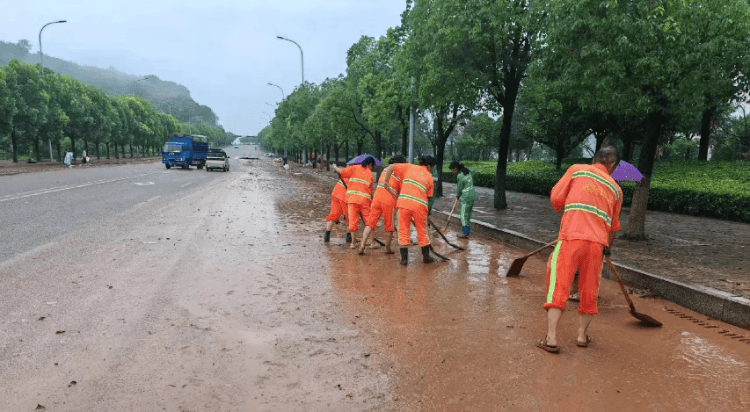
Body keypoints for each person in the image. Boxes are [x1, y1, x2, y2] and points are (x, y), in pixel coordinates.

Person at [536, 146, 623, 353]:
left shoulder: (577, 170)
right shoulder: (616, 190)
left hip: (571, 237)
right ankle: (582, 336)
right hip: (597, 245)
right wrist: (607, 248)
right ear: (612, 165)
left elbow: (556, 200)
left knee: (558, 284)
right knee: (589, 289)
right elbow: (613, 226)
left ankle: (551, 339)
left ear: (595, 160)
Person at [381, 156, 436, 265]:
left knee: (403, 230)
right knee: (422, 231)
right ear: (429, 166)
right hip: (420, 206)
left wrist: (386, 182)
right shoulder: (430, 177)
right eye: (432, 167)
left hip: (404, 204)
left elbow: (391, 167)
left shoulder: (410, 167)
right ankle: (426, 258)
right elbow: (429, 197)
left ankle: (404, 259)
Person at [358, 155, 407, 255]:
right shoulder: (401, 172)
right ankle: (387, 248)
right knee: (390, 225)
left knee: (370, 223)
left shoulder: (385, 169)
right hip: (389, 200)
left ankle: (362, 245)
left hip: (377, 197)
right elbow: (402, 190)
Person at [332, 157, 376, 249]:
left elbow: (342, 172)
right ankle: (371, 243)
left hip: (352, 200)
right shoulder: (370, 174)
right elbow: (370, 190)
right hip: (364, 200)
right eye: (372, 166)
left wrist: (335, 167)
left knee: (352, 221)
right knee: (369, 222)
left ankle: (353, 243)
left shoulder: (354, 168)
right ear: (369, 165)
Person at [323, 163, 351, 244]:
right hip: (345, 197)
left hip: (336, 193)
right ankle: (349, 237)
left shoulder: (345, 169)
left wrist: (335, 167)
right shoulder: (355, 171)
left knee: (333, 214)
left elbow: (339, 171)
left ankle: (326, 236)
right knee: (350, 217)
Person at [449, 161, 476, 238]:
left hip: (466, 196)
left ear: (456, 169)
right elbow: (473, 171)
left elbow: (460, 187)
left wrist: (458, 195)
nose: (452, 171)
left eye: (453, 169)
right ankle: (466, 232)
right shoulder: (468, 172)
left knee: (463, 214)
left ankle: (465, 233)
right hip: (472, 195)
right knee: (468, 214)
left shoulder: (460, 176)